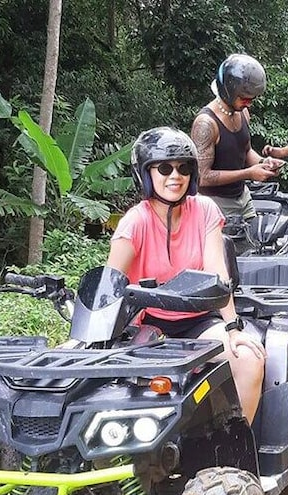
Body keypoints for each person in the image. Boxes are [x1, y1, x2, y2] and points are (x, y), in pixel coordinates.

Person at [107, 126, 266, 423]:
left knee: (249, 360)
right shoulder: (134, 222)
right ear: (145, 174)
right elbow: (109, 286)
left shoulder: (204, 210)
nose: (175, 176)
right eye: (164, 168)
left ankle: (237, 448)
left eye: (183, 168)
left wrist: (233, 328)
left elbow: (217, 274)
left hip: (200, 322)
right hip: (147, 325)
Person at [191, 53, 285, 222]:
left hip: (242, 196)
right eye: (244, 98)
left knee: (257, 244)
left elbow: (246, 150)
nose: (249, 103)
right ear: (228, 90)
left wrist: (264, 163)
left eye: (252, 99)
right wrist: (248, 173)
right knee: (228, 248)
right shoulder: (206, 123)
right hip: (215, 204)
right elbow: (202, 177)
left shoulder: (243, 113)